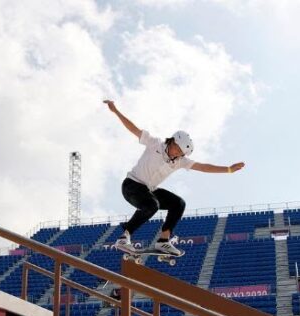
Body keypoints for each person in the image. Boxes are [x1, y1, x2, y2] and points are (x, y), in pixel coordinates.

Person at [104, 100, 246, 256]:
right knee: (153, 204)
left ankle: (163, 241)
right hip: (131, 186)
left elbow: (203, 167)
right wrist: (116, 111)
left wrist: (228, 169)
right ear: (171, 141)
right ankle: (124, 237)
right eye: (176, 149)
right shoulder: (155, 143)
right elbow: (134, 129)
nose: (176, 154)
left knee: (178, 203)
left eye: (180, 153)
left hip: (148, 190)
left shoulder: (180, 162)